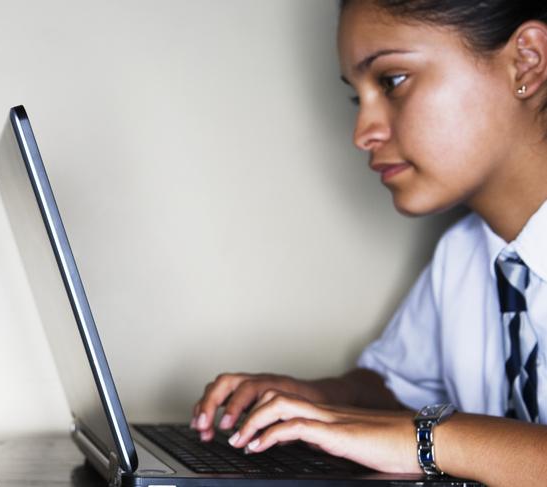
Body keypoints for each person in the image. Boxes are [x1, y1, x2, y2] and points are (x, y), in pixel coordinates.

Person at [190, 1, 547, 486]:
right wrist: (320, 399)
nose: (363, 133)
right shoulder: (463, 255)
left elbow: (413, 427)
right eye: (358, 99)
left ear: (526, 60)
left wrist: (424, 440)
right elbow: (397, 386)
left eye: (392, 81)